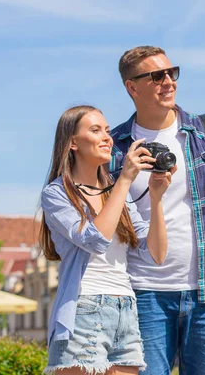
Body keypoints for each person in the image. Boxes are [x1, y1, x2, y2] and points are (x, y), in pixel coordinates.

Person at [109, 46, 205, 374]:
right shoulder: (114, 146)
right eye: (156, 76)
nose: (168, 81)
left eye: (171, 73)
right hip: (142, 296)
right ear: (132, 87)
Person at [39, 105, 173, 375]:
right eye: (96, 130)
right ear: (73, 142)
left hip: (125, 307)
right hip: (83, 308)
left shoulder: (115, 193)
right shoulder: (57, 194)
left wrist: (156, 198)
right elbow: (94, 240)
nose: (107, 138)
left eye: (108, 131)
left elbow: (156, 254)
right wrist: (124, 179)